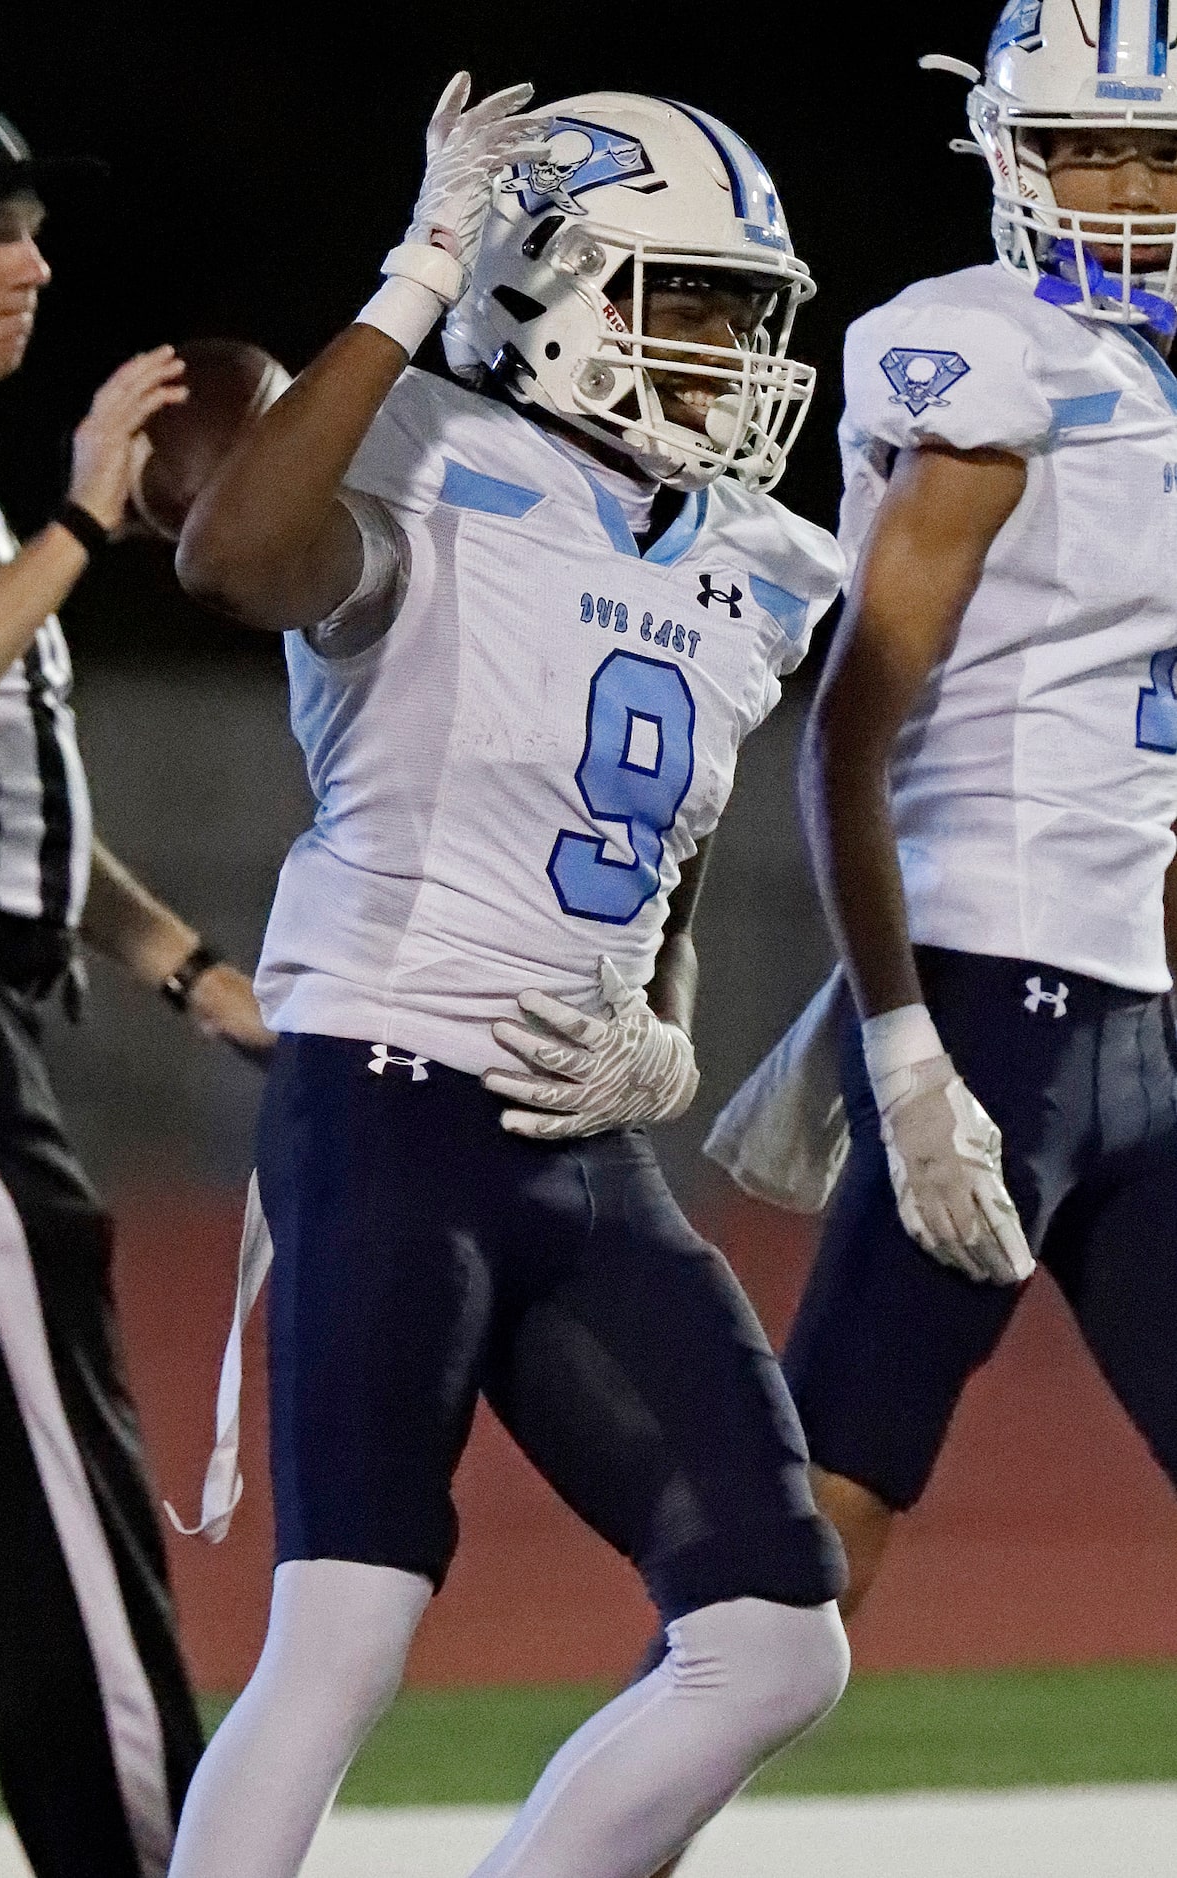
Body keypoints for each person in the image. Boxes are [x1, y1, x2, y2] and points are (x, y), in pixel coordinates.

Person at [168, 75, 850, 1878]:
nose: (719, 348)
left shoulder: (760, 568)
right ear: (538, 283)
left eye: (737, 310)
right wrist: (409, 281)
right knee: (344, 1635)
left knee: (775, 1640)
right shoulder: (424, 451)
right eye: (680, 297)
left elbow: (670, 862)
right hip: (386, 1089)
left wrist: (668, 1023)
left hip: (574, 1133)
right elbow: (233, 556)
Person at [719, 0, 1177, 1623]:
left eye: (1156, 155)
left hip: (1131, 1016)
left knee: (826, 1507)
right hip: (991, 989)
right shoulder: (992, 349)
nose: (1122, 192)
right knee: (820, 1523)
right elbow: (848, 724)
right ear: (1009, 153)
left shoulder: (1156, 371)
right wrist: (899, 1038)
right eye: (1084, 151)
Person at [0, 80, 271, 1877]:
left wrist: (192, 970)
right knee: (58, 1489)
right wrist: (81, 526)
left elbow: (15, 809)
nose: (31, 261)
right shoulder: (17, 517)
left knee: (33, 1470)